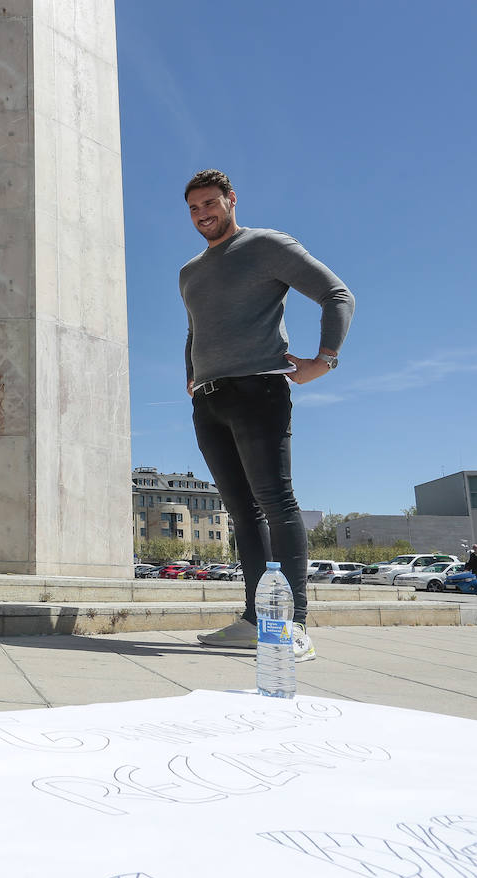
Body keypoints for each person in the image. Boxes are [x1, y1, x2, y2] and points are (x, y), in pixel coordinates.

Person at [181, 170, 355, 662]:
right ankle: (257, 619)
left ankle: (294, 623)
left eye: (210, 204)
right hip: (209, 401)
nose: (203, 215)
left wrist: (326, 360)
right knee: (240, 513)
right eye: (194, 209)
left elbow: (336, 295)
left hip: (259, 389)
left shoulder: (266, 245)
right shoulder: (189, 271)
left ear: (232, 201)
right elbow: (196, 328)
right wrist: (190, 375)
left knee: (277, 502)